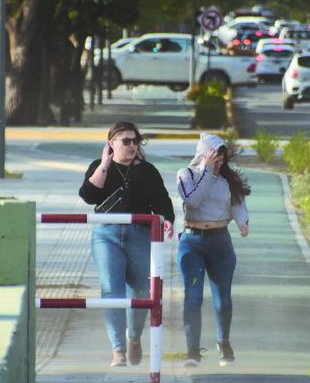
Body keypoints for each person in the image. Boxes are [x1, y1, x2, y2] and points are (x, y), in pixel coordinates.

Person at [79, 121, 175, 367]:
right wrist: (104, 164)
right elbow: (88, 196)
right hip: (107, 235)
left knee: (143, 291)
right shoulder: (100, 168)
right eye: (126, 141)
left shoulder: (147, 171)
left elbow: (163, 203)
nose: (132, 146)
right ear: (111, 144)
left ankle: (134, 337)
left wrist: (167, 221)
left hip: (141, 236)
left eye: (135, 141)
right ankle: (118, 349)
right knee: (111, 289)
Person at [175, 133, 250, 367]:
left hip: (220, 242)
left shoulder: (228, 179)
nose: (218, 160)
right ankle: (193, 351)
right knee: (193, 298)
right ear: (203, 153)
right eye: (214, 155)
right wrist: (207, 172)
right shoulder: (186, 174)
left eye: (221, 156)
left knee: (223, 300)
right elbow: (193, 201)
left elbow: (237, 203)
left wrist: (242, 221)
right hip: (192, 240)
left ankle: (223, 341)